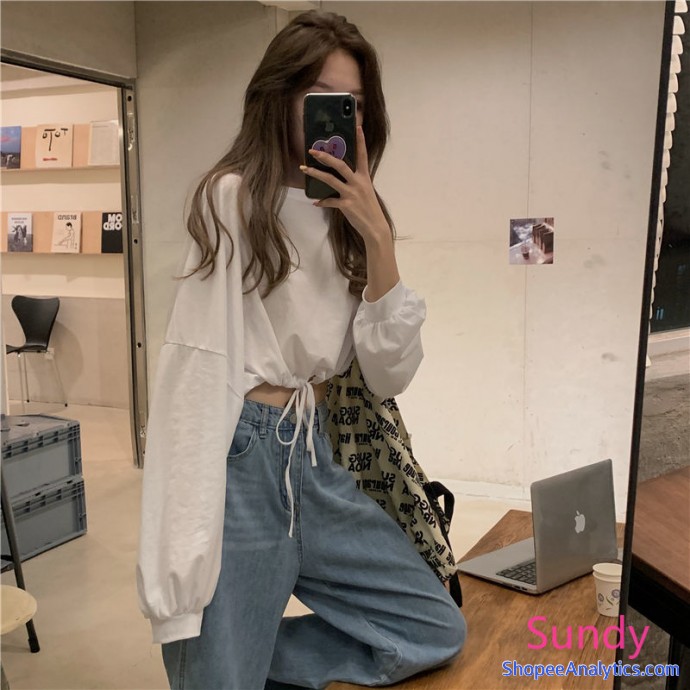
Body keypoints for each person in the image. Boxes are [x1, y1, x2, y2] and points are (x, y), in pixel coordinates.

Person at [136, 10, 467, 690]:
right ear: (280, 96)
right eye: (320, 97)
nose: (337, 117)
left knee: (435, 627)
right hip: (242, 456)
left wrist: (378, 239)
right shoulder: (232, 199)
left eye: (352, 104)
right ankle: (223, 658)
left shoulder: (353, 218)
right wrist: (175, 573)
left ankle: (238, 655)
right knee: (217, 670)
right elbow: (195, 373)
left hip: (312, 456)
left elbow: (387, 373)